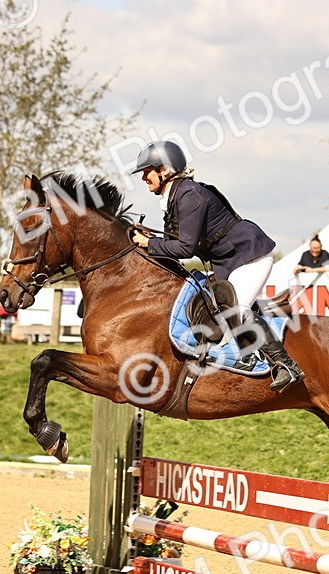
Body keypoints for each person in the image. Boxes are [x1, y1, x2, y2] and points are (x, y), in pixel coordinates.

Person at [129, 139, 304, 391]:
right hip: (228, 262)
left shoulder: (189, 195)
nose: (144, 178)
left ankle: (285, 365)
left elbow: (185, 249)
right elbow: (172, 243)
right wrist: (150, 241)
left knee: (236, 311)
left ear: (164, 170)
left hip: (249, 256)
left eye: (147, 171)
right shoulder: (174, 197)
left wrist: (150, 243)